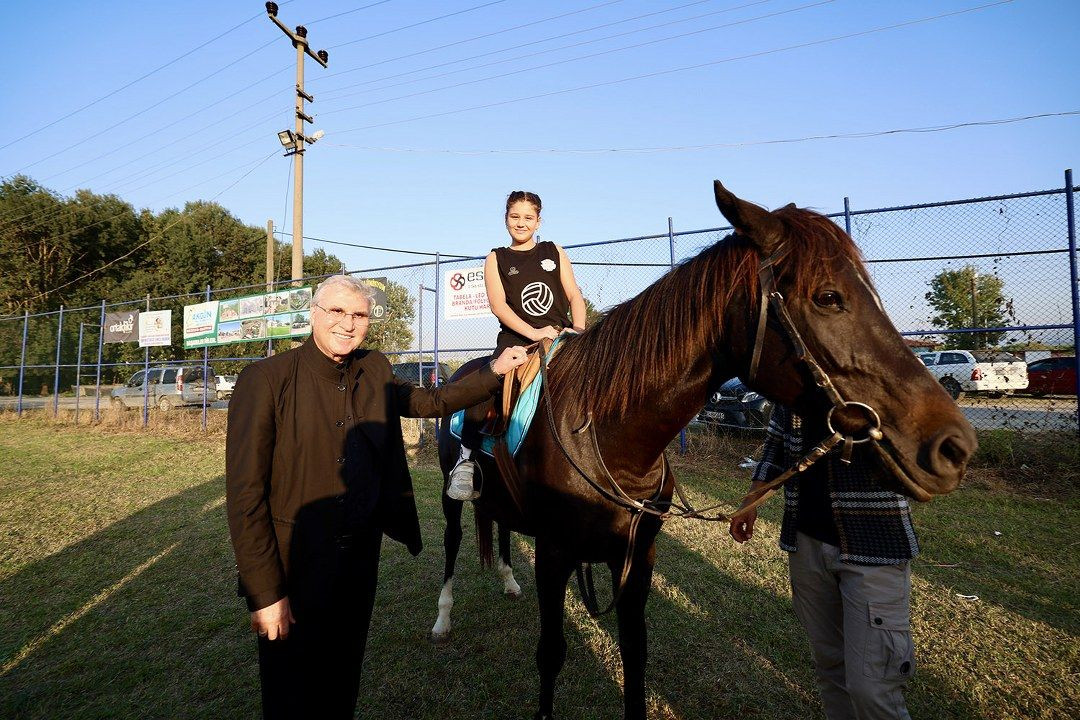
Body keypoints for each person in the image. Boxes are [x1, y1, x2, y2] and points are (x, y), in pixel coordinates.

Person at [226, 274, 527, 719]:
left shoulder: (376, 369)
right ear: (314, 313)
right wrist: (266, 593)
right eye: (337, 312)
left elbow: (433, 401)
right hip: (295, 565)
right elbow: (246, 498)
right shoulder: (266, 380)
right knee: (291, 689)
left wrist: (494, 372)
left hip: (360, 558)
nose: (348, 324)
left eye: (359, 315)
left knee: (344, 677)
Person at [729, 405, 918, 720]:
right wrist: (751, 500)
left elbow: (917, 445)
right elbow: (775, 446)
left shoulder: (881, 371)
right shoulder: (794, 379)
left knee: (870, 686)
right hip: (805, 542)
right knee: (830, 664)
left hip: (874, 541)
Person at [446, 190, 587, 501]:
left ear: (538, 221)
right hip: (517, 340)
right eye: (515, 216)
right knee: (486, 385)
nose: (521, 223)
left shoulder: (555, 251)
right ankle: (466, 461)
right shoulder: (496, 258)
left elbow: (575, 296)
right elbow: (500, 307)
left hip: (561, 338)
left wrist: (578, 332)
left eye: (528, 217)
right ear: (505, 219)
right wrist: (535, 334)